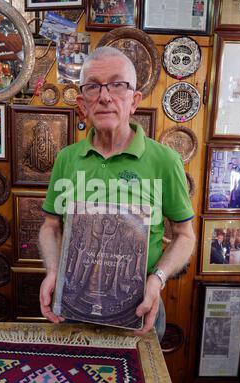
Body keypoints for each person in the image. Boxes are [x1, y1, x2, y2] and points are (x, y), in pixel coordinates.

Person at [39, 47, 195, 340]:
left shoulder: (164, 161)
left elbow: (185, 235)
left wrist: (157, 279)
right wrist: (53, 270)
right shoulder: (67, 159)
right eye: (93, 86)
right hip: (72, 309)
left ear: (134, 100)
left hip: (139, 310)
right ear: (83, 102)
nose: (105, 96)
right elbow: (50, 227)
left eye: (117, 84)